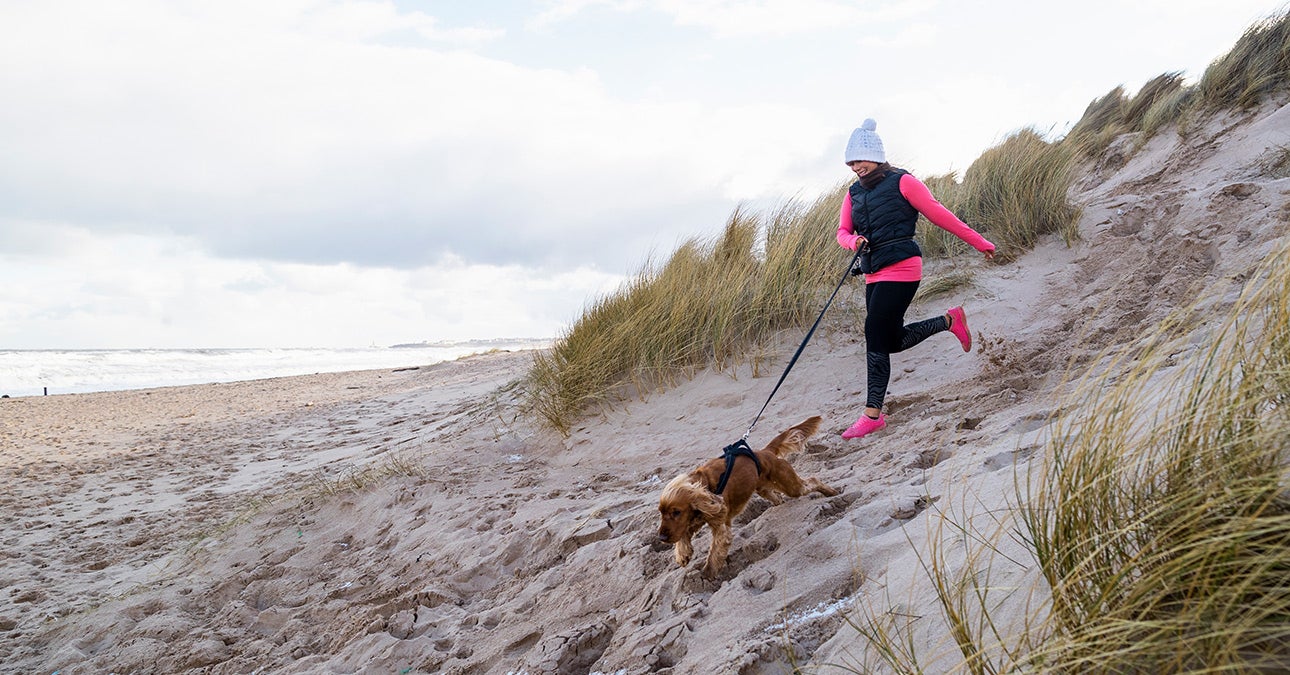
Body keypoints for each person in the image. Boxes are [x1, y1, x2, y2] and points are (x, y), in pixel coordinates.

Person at [836, 118, 996, 440]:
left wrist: (980, 242)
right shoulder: (853, 194)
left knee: (873, 332)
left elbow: (940, 214)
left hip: (903, 268)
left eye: (859, 160)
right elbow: (842, 232)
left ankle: (872, 415)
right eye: (851, 162)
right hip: (873, 272)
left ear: (876, 155)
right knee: (890, 341)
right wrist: (853, 242)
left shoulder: (904, 182)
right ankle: (949, 321)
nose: (855, 167)